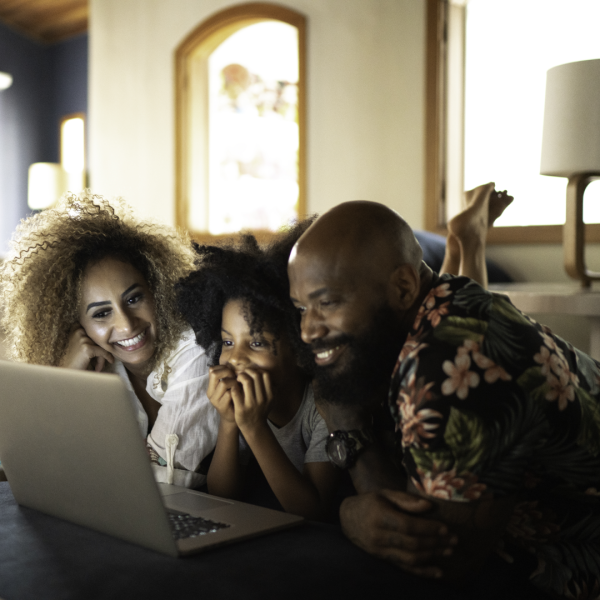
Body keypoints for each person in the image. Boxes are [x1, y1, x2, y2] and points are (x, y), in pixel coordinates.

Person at [287, 195, 600, 597]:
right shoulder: (451, 298)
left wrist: (347, 439)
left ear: (403, 286)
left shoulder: (448, 370)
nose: (308, 330)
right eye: (301, 308)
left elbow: (439, 557)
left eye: (326, 303)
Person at [0, 191, 218, 488]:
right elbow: (35, 466)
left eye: (134, 298)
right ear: (77, 325)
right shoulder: (98, 365)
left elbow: (164, 482)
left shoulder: (195, 348)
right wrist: (65, 379)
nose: (126, 324)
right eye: (101, 313)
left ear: (157, 289)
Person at [176, 229, 339, 520]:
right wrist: (229, 422)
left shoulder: (323, 407)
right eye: (228, 342)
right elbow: (223, 497)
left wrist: (253, 427)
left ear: (299, 347)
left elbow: (313, 511)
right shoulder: (239, 400)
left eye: (257, 343)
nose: (235, 357)